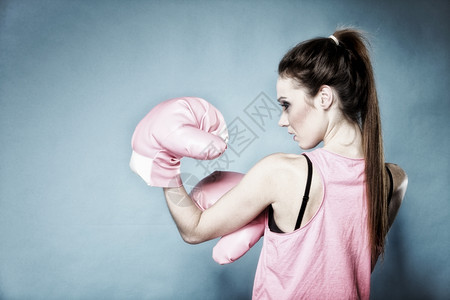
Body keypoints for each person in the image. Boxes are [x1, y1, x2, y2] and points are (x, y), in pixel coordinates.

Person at [130, 28, 408, 299]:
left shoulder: (282, 173)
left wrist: (166, 163)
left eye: (286, 104)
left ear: (324, 98)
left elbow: (193, 229)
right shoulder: (393, 179)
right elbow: (357, 265)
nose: (282, 120)